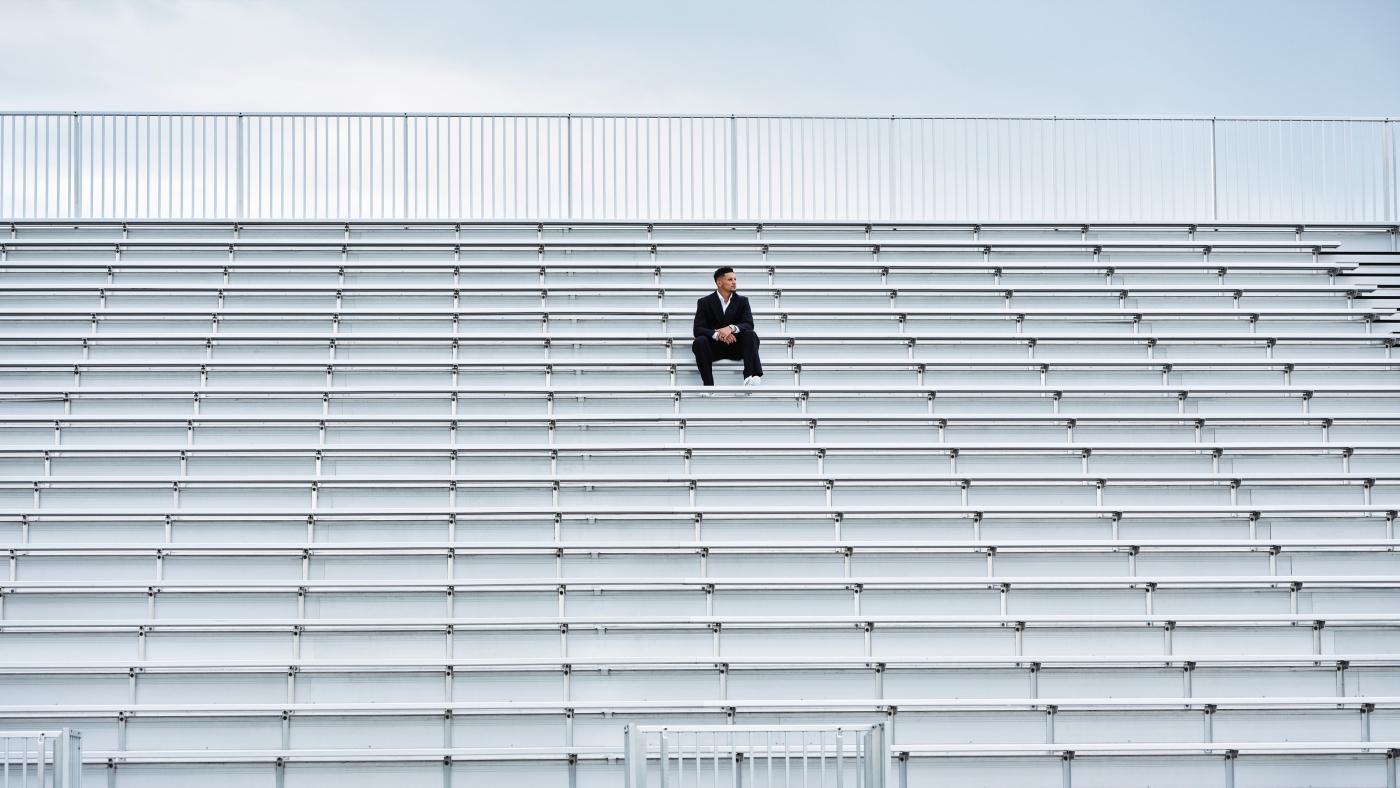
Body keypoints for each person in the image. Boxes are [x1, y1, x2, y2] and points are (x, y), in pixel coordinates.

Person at [691, 266, 763, 387]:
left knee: (751, 335)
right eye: (730, 279)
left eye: (735, 279)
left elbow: (749, 324)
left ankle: (749, 377)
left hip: (736, 346)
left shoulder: (743, 301)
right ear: (719, 282)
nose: (734, 282)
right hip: (714, 349)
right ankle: (709, 386)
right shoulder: (704, 302)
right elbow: (698, 329)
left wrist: (730, 328)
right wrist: (718, 335)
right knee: (699, 341)